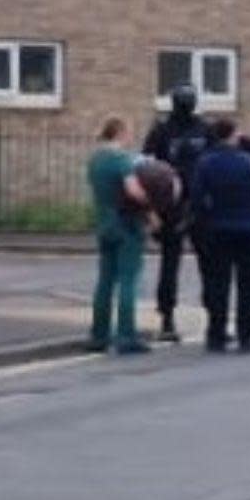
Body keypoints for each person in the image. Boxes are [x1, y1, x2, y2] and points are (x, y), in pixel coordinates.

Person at [143, 84, 250, 342]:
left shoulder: (161, 130)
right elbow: (239, 143)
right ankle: (210, 321)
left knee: (175, 265)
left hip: (173, 206)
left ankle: (170, 320)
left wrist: (150, 209)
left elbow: (146, 167)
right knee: (208, 267)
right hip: (199, 208)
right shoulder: (201, 129)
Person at [87, 118, 177, 355]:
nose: (130, 138)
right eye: (129, 133)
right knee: (128, 280)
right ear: (119, 132)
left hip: (104, 223)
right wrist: (151, 209)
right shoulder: (121, 160)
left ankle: (99, 334)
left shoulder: (95, 160)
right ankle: (126, 335)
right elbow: (133, 191)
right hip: (126, 225)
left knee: (105, 281)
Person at [189, 117, 250, 353]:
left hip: (218, 229)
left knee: (218, 284)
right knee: (247, 285)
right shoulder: (246, 163)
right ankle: (246, 335)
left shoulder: (205, 164)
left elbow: (197, 199)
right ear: (232, 136)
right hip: (249, 229)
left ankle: (216, 334)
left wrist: (200, 224)